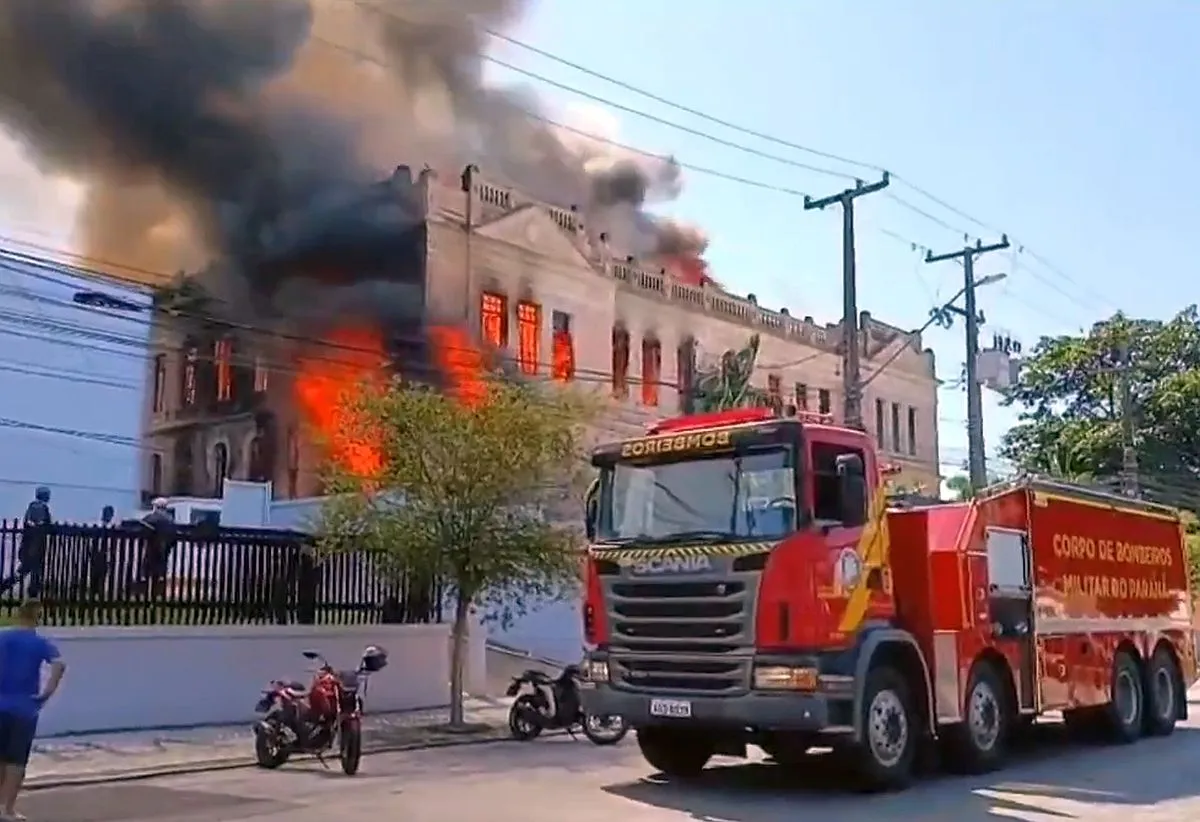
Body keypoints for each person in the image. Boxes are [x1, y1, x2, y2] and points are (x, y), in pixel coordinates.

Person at [0, 600, 65, 821]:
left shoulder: (3, 637)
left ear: (18, 614)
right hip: (24, 709)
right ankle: (7, 809)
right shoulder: (39, 643)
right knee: (16, 761)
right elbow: (59, 664)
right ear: (37, 618)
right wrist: (47, 693)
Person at [0, 489, 52, 598]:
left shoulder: (31, 506)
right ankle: (30, 593)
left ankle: (6, 585)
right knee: (32, 571)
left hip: (27, 546)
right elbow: (45, 523)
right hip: (36, 547)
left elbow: (27, 522)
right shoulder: (43, 508)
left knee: (24, 572)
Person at [140, 498, 175, 598]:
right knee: (160, 573)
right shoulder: (170, 520)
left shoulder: (151, 518)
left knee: (148, 572)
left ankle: (147, 595)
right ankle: (157, 595)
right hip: (164, 551)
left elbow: (142, 527)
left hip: (151, 549)